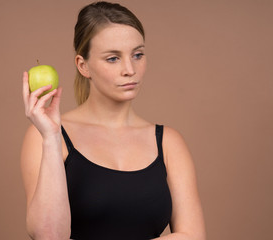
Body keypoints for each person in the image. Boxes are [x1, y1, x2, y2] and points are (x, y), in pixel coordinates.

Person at [21, 1, 206, 239]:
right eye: (112, 58)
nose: (130, 69)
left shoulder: (169, 142)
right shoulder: (47, 136)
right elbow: (48, 235)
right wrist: (50, 138)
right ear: (83, 65)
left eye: (137, 55)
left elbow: (193, 236)